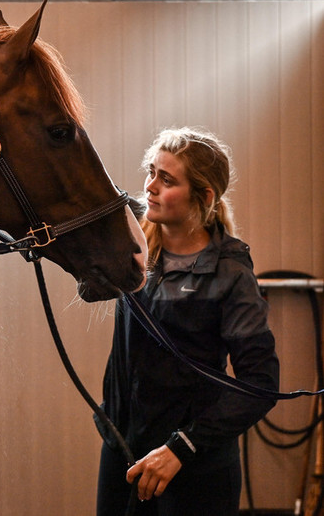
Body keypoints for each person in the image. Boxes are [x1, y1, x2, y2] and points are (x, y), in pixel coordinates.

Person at [95, 127, 280, 516]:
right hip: (123, 456)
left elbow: (260, 384)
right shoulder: (134, 248)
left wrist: (183, 448)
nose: (150, 187)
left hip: (195, 467)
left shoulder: (230, 274)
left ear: (205, 196)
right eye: (150, 172)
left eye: (167, 179)